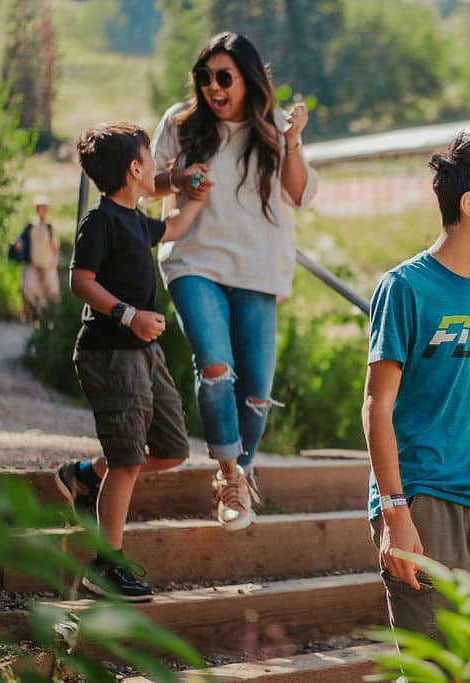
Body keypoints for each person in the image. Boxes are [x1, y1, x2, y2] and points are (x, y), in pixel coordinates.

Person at [361, 133, 470, 645]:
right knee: (437, 666)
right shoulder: (404, 287)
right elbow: (377, 405)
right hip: (422, 499)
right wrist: (395, 513)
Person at [150, 32, 319, 530]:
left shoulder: (272, 129)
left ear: (249, 79)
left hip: (259, 270)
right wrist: (178, 181)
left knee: (258, 393)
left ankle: (239, 474)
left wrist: (290, 141)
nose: (213, 88)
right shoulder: (180, 124)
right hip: (192, 261)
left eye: (225, 77)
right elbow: (143, 184)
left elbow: (301, 194)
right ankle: (228, 475)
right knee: (216, 368)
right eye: (205, 78)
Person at [63, 122, 205, 602]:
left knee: (171, 449)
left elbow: (175, 227)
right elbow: (80, 281)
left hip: (146, 354)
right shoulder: (100, 220)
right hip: (111, 354)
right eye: (152, 158)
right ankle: (104, 566)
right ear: (134, 169)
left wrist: (193, 191)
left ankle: (87, 475)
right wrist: (129, 315)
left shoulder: (137, 218)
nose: (158, 167)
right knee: (127, 461)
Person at [16, 195, 60, 320]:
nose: (43, 210)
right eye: (40, 207)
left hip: (47, 265)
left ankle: (50, 319)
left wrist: (54, 262)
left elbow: (56, 247)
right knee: (29, 289)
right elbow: (20, 241)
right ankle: (30, 316)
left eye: (45, 208)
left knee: (51, 292)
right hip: (32, 265)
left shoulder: (50, 227)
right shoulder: (30, 226)